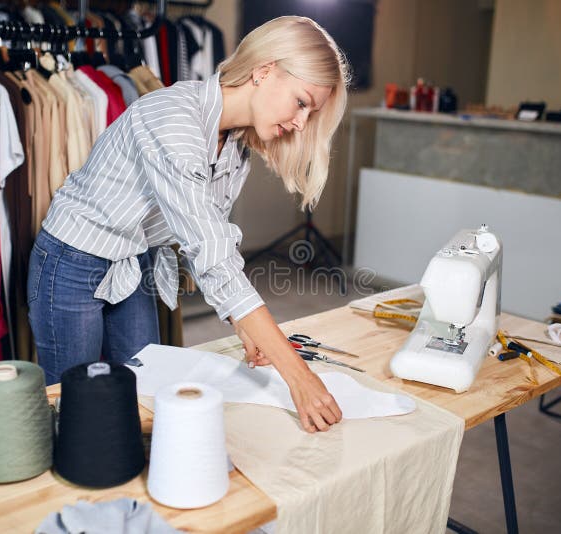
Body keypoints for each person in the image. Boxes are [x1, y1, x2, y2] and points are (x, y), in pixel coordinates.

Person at [28, 16, 349, 432]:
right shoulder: (173, 119)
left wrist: (247, 327)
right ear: (265, 70)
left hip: (132, 259)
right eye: (302, 102)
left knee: (148, 393)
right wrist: (297, 375)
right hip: (71, 262)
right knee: (75, 412)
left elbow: (210, 246)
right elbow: (211, 253)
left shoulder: (235, 146)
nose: (302, 123)